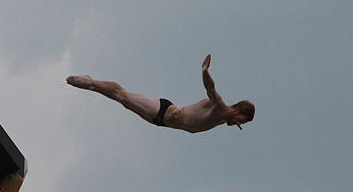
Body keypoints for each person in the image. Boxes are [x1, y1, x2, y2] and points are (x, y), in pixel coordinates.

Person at [66, 55, 254, 133]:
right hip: (163, 110)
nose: (238, 125)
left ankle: (93, 84)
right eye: (241, 120)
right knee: (122, 96)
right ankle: (90, 81)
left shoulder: (222, 120)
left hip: (160, 122)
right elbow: (211, 89)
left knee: (123, 102)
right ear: (237, 109)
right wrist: (205, 71)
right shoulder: (219, 106)